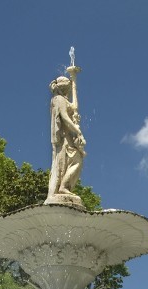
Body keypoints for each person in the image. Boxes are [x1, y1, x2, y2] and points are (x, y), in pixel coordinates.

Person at [46, 71, 85, 206]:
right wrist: (77, 130)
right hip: (63, 138)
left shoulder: (61, 99)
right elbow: (65, 117)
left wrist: (74, 82)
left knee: (72, 161)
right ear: (63, 88)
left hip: (66, 137)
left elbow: (74, 107)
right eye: (68, 88)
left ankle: (63, 186)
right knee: (76, 160)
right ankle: (63, 187)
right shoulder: (59, 99)